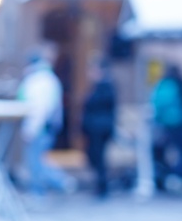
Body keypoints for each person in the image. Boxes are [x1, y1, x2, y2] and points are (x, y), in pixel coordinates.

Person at [18, 53, 76, 196]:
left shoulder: (39, 81)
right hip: (45, 127)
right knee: (38, 160)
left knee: (36, 162)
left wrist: (31, 129)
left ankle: (56, 183)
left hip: (40, 127)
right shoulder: (48, 79)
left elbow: (39, 108)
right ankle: (53, 185)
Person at [151, 64, 182, 192]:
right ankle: (178, 176)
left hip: (166, 125)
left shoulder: (161, 85)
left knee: (171, 151)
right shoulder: (179, 84)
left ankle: (170, 176)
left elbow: (155, 105)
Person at [80, 58, 117, 197]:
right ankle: (101, 184)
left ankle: (102, 186)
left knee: (98, 157)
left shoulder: (105, 87)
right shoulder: (98, 87)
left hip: (100, 129)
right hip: (94, 128)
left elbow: (100, 106)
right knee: (95, 156)